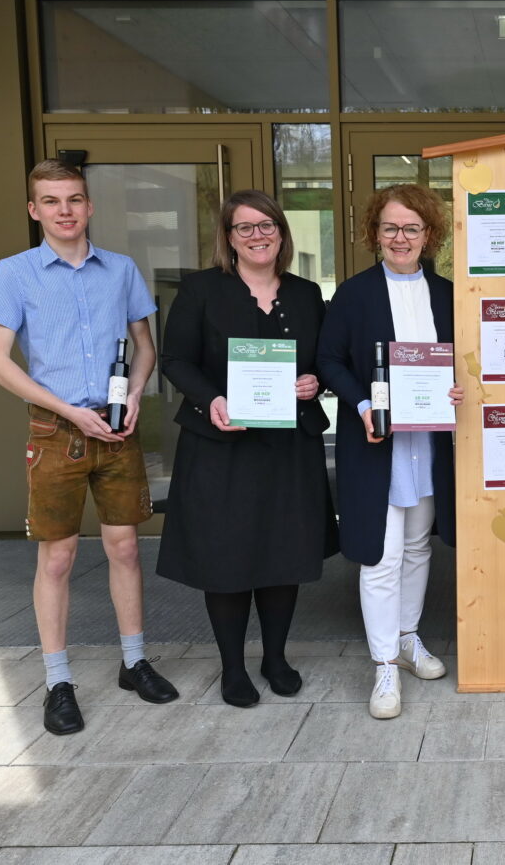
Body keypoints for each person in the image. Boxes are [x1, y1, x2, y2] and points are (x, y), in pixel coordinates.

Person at [0, 158, 177, 735]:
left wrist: (136, 393)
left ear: (89, 206)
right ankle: (57, 680)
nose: (65, 211)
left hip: (117, 430)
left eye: (75, 200)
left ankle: (135, 662)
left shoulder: (121, 270)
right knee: (58, 558)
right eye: (52, 201)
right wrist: (69, 413)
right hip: (55, 431)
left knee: (126, 549)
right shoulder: (14, 273)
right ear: (35, 210)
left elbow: (144, 346)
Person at [156, 189, 337, 707]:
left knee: (284, 551)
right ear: (229, 238)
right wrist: (211, 396)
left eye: (267, 226)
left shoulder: (305, 294)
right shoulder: (201, 291)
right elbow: (175, 360)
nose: (258, 235)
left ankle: (275, 657)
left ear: (281, 232)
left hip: (288, 447)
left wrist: (314, 380)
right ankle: (232, 668)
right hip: (222, 444)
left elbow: (325, 359)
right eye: (245, 228)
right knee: (228, 554)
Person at [317, 183, 463, 720]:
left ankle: (407, 638)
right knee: (381, 555)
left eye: (411, 228)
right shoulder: (353, 295)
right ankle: (383, 665)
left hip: (429, 442)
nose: (400, 238)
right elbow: (329, 361)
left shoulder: (449, 295)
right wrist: (359, 405)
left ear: (429, 235)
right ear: (374, 233)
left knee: (419, 544)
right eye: (390, 228)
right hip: (375, 442)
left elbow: (461, 361)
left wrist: (456, 388)